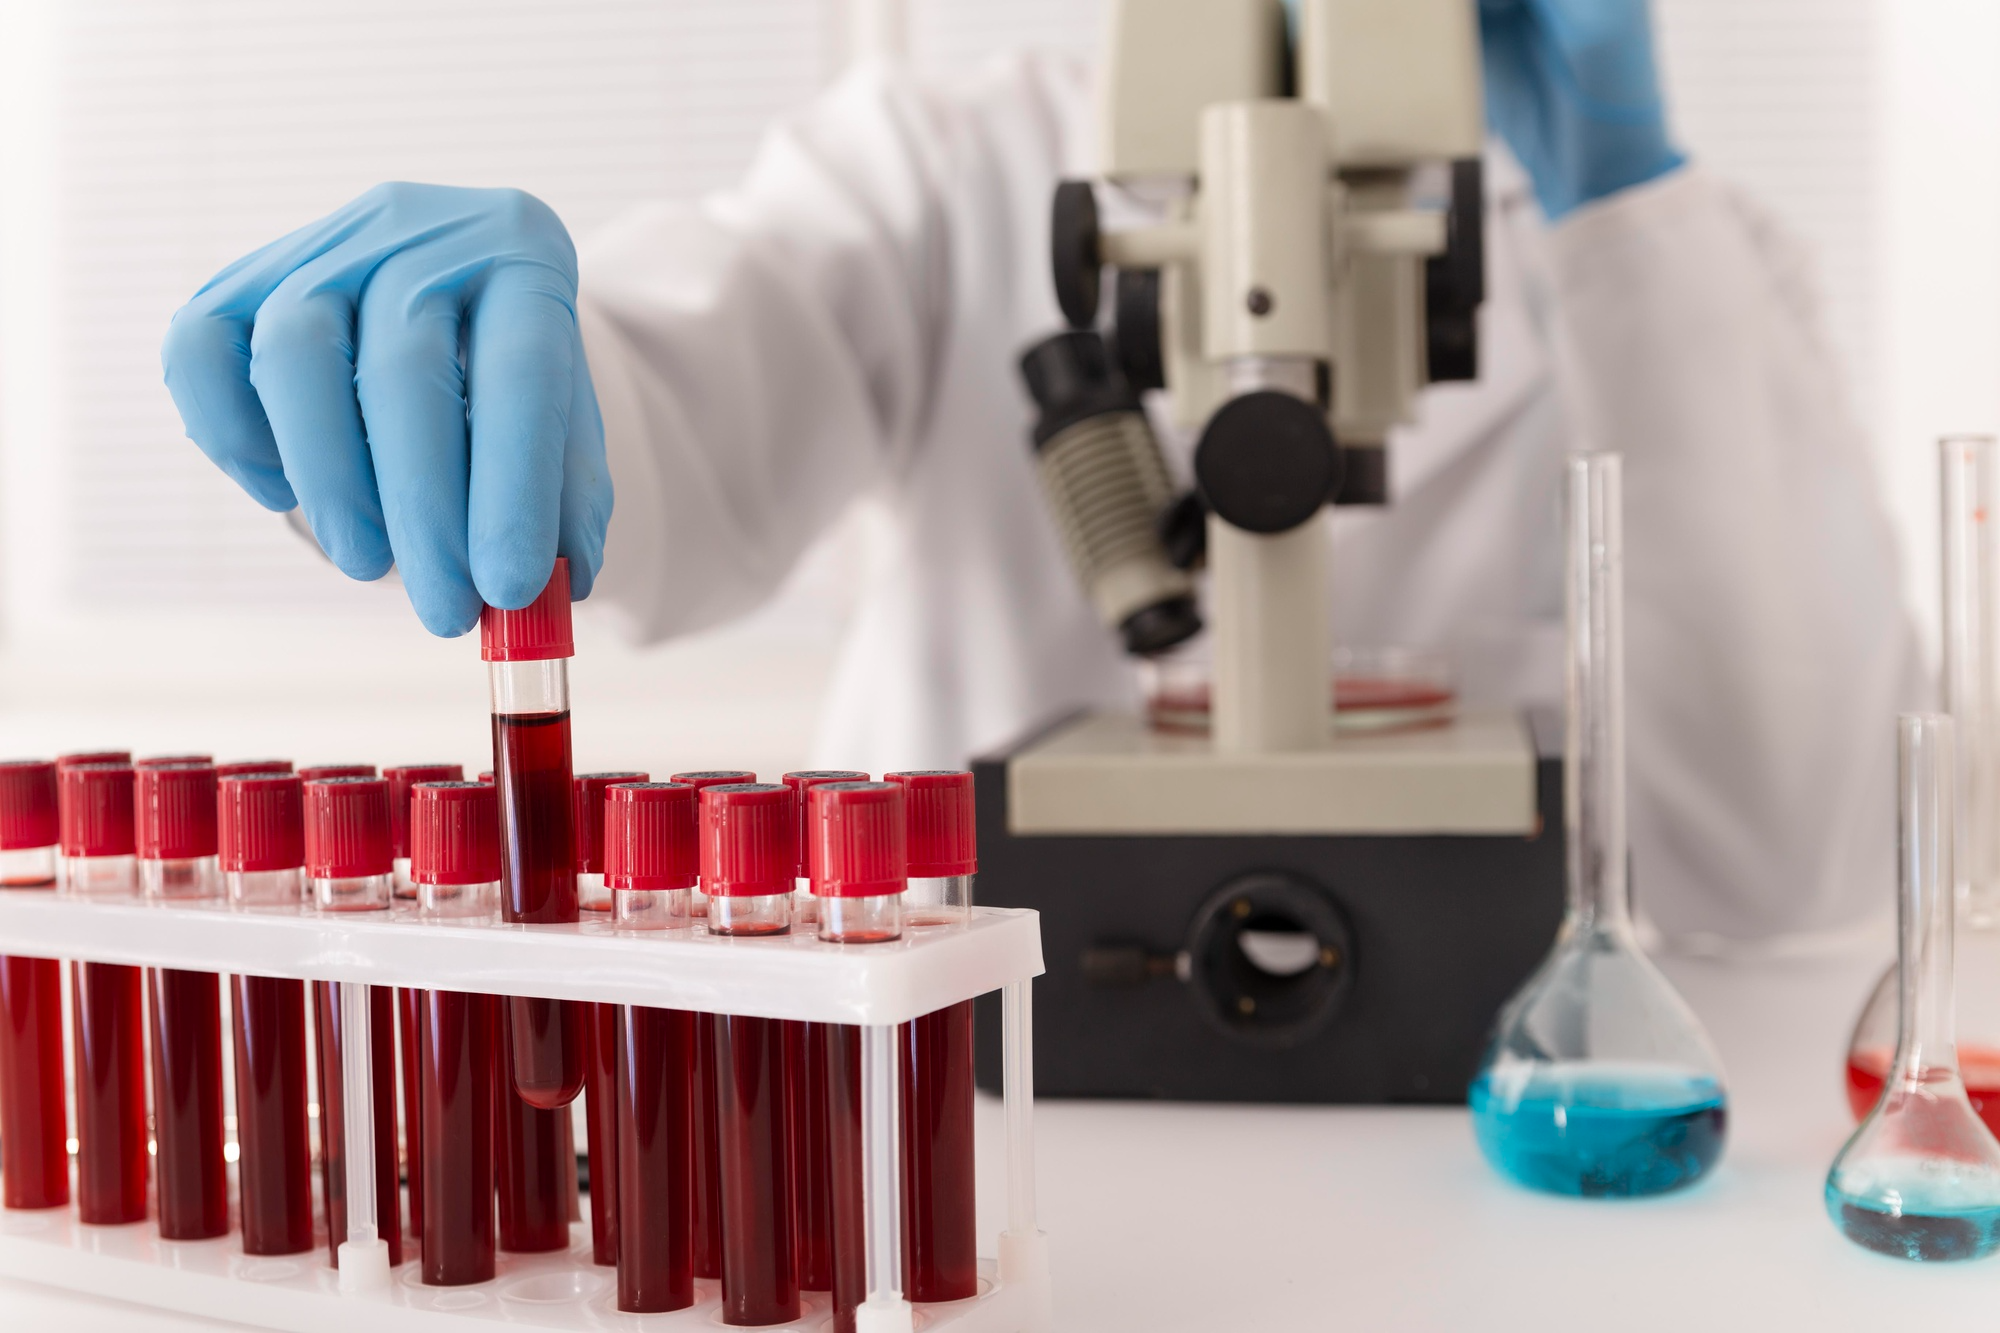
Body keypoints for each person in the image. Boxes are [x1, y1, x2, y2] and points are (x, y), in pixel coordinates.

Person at [159, 0, 1918, 952]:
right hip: (983, 1106)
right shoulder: (952, 170)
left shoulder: (1669, 258)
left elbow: (1794, 859)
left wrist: (1625, 202)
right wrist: (508, 374)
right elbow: (682, 402)